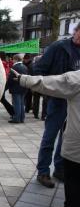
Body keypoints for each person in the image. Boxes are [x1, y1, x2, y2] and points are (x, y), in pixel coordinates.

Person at [11, 68, 80, 207]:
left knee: (75, 178)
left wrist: (22, 79)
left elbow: (51, 83)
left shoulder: (76, 79)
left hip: (77, 146)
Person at [32, 22, 80, 188]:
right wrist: (50, 91)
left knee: (67, 137)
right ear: (76, 31)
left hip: (75, 103)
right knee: (50, 136)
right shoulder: (58, 47)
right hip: (58, 101)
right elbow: (38, 70)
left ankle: (60, 169)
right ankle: (43, 172)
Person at [7, 54, 28, 123]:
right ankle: (22, 118)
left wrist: (7, 86)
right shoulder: (25, 67)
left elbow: (10, 79)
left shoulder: (14, 68)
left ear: (15, 59)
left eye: (13, 59)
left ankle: (16, 118)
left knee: (16, 104)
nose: (12, 61)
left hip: (15, 88)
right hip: (23, 87)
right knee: (21, 103)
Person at [0, 51, 15, 117]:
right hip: (4, 82)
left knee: (1, 98)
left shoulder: (1, 63)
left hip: (1, 82)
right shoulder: (6, 63)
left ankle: (12, 111)